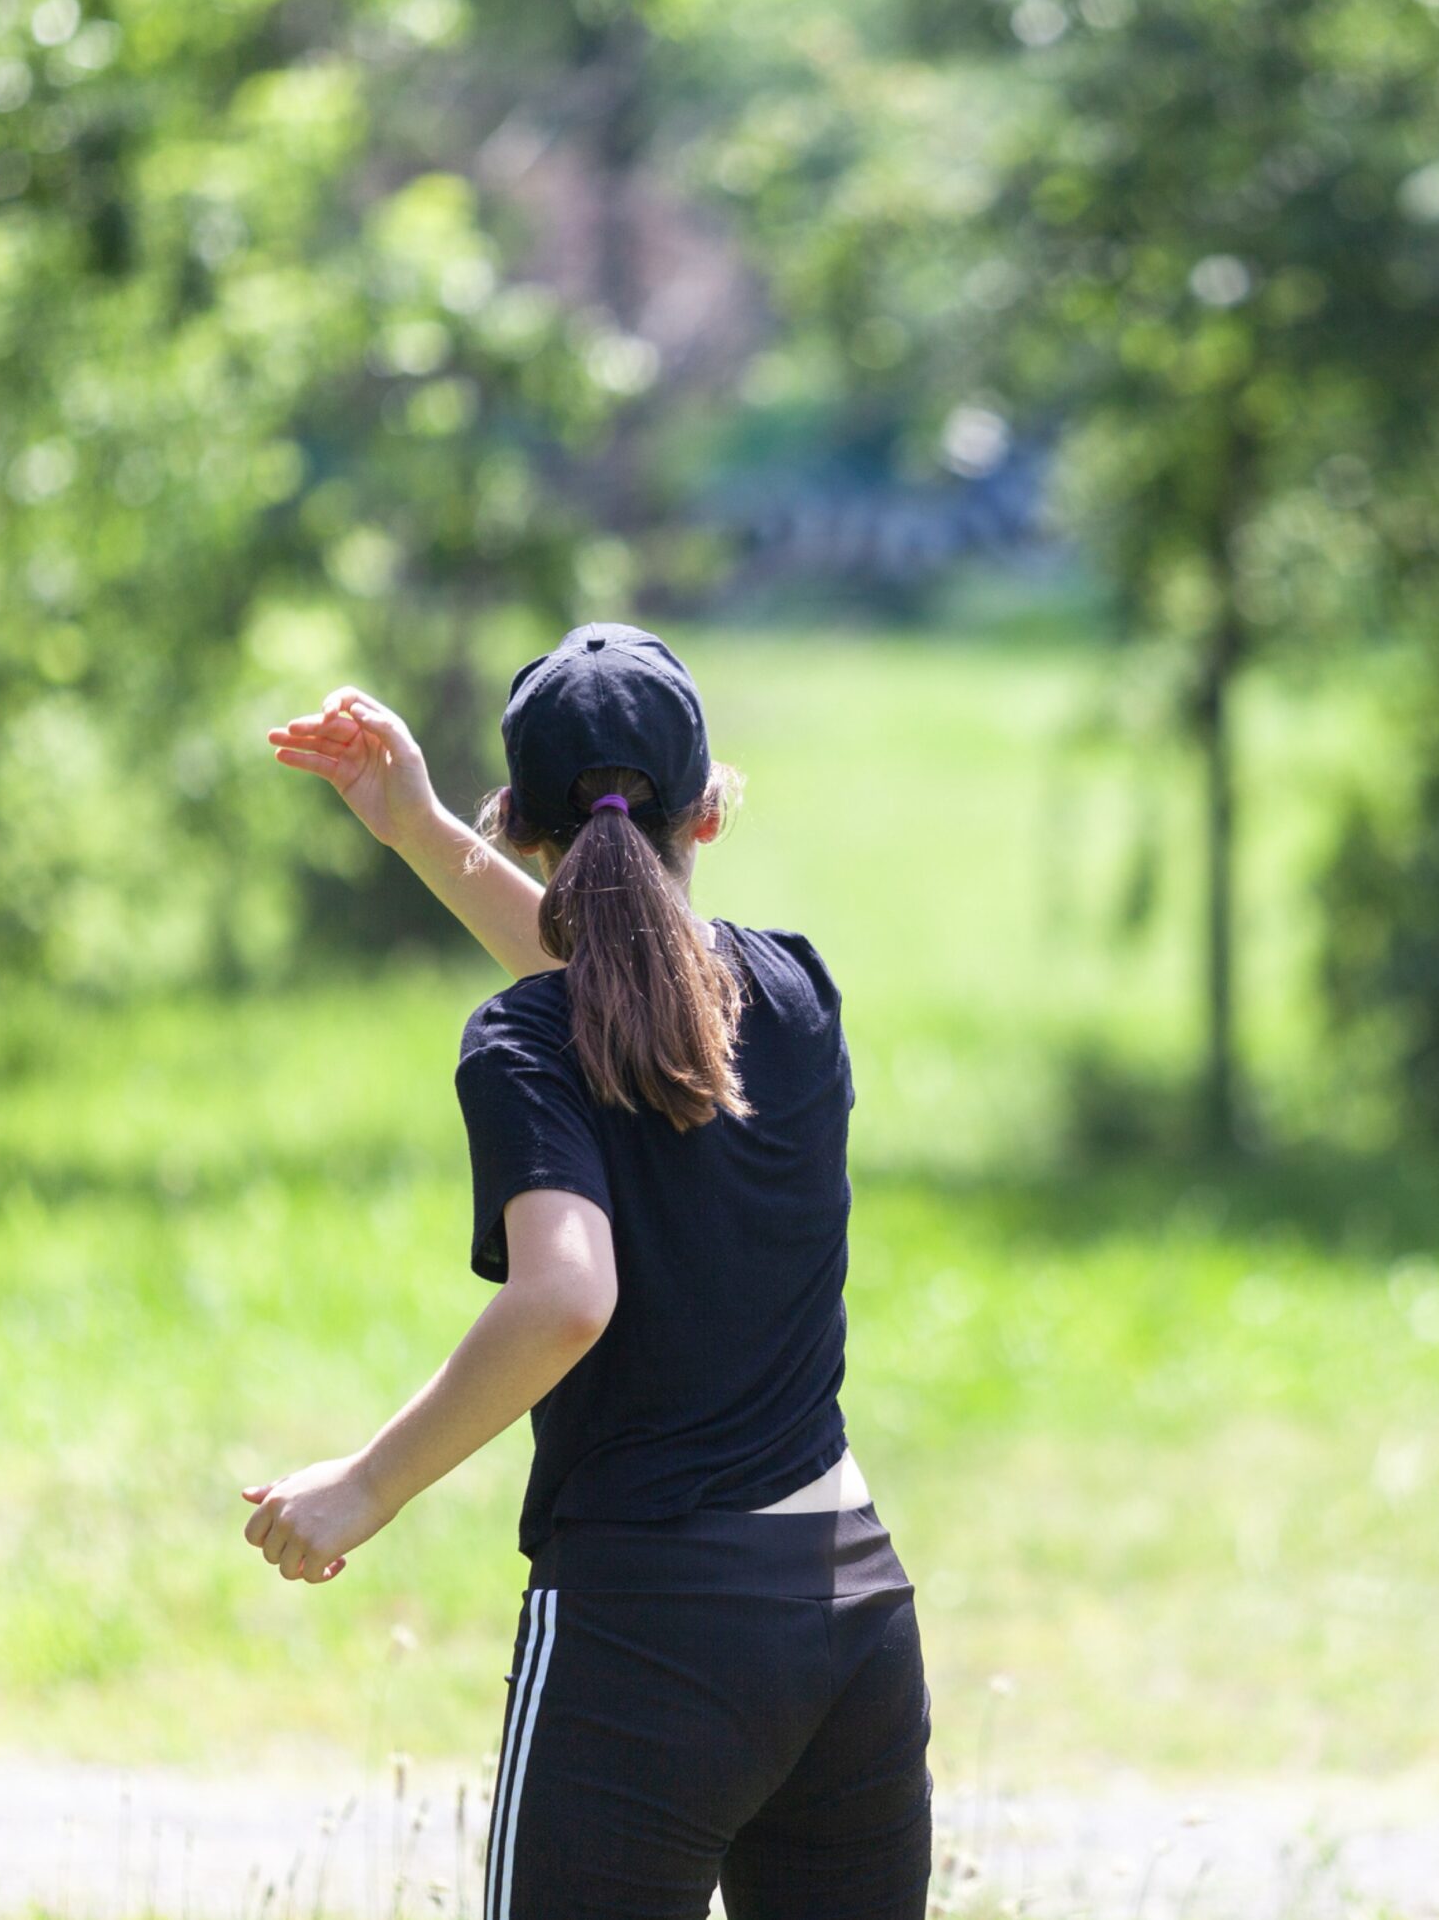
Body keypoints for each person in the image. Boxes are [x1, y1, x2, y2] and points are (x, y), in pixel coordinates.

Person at [240, 623, 933, 1919]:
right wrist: (420, 827)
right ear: (708, 811)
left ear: (525, 821)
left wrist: (365, 1485)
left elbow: (566, 1293)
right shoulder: (795, 994)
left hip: (651, 1626)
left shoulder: (522, 1041)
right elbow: (623, 982)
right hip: (848, 1605)